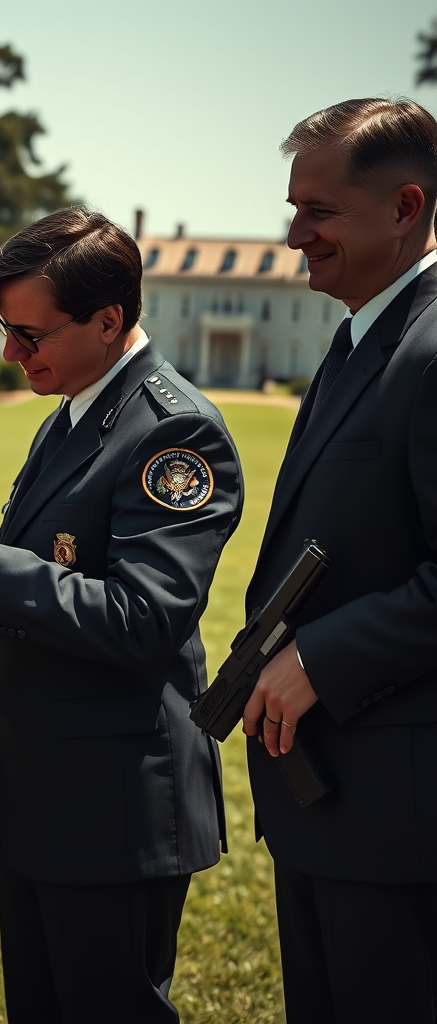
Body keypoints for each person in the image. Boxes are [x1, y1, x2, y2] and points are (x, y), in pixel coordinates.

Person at [0, 208, 244, 1022]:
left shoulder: (174, 431)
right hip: (52, 797)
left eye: (30, 334)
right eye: (4, 329)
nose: (12, 353)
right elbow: (51, 564)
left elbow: (142, 616)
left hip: (115, 812)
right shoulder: (79, 406)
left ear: (109, 321)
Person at [240, 98, 437, 1023]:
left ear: (405, 207)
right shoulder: (362, 337)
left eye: (318, 211)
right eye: (294, 207)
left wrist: (322, 657)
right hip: (330, 799)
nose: (293, 235)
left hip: (399, 818)